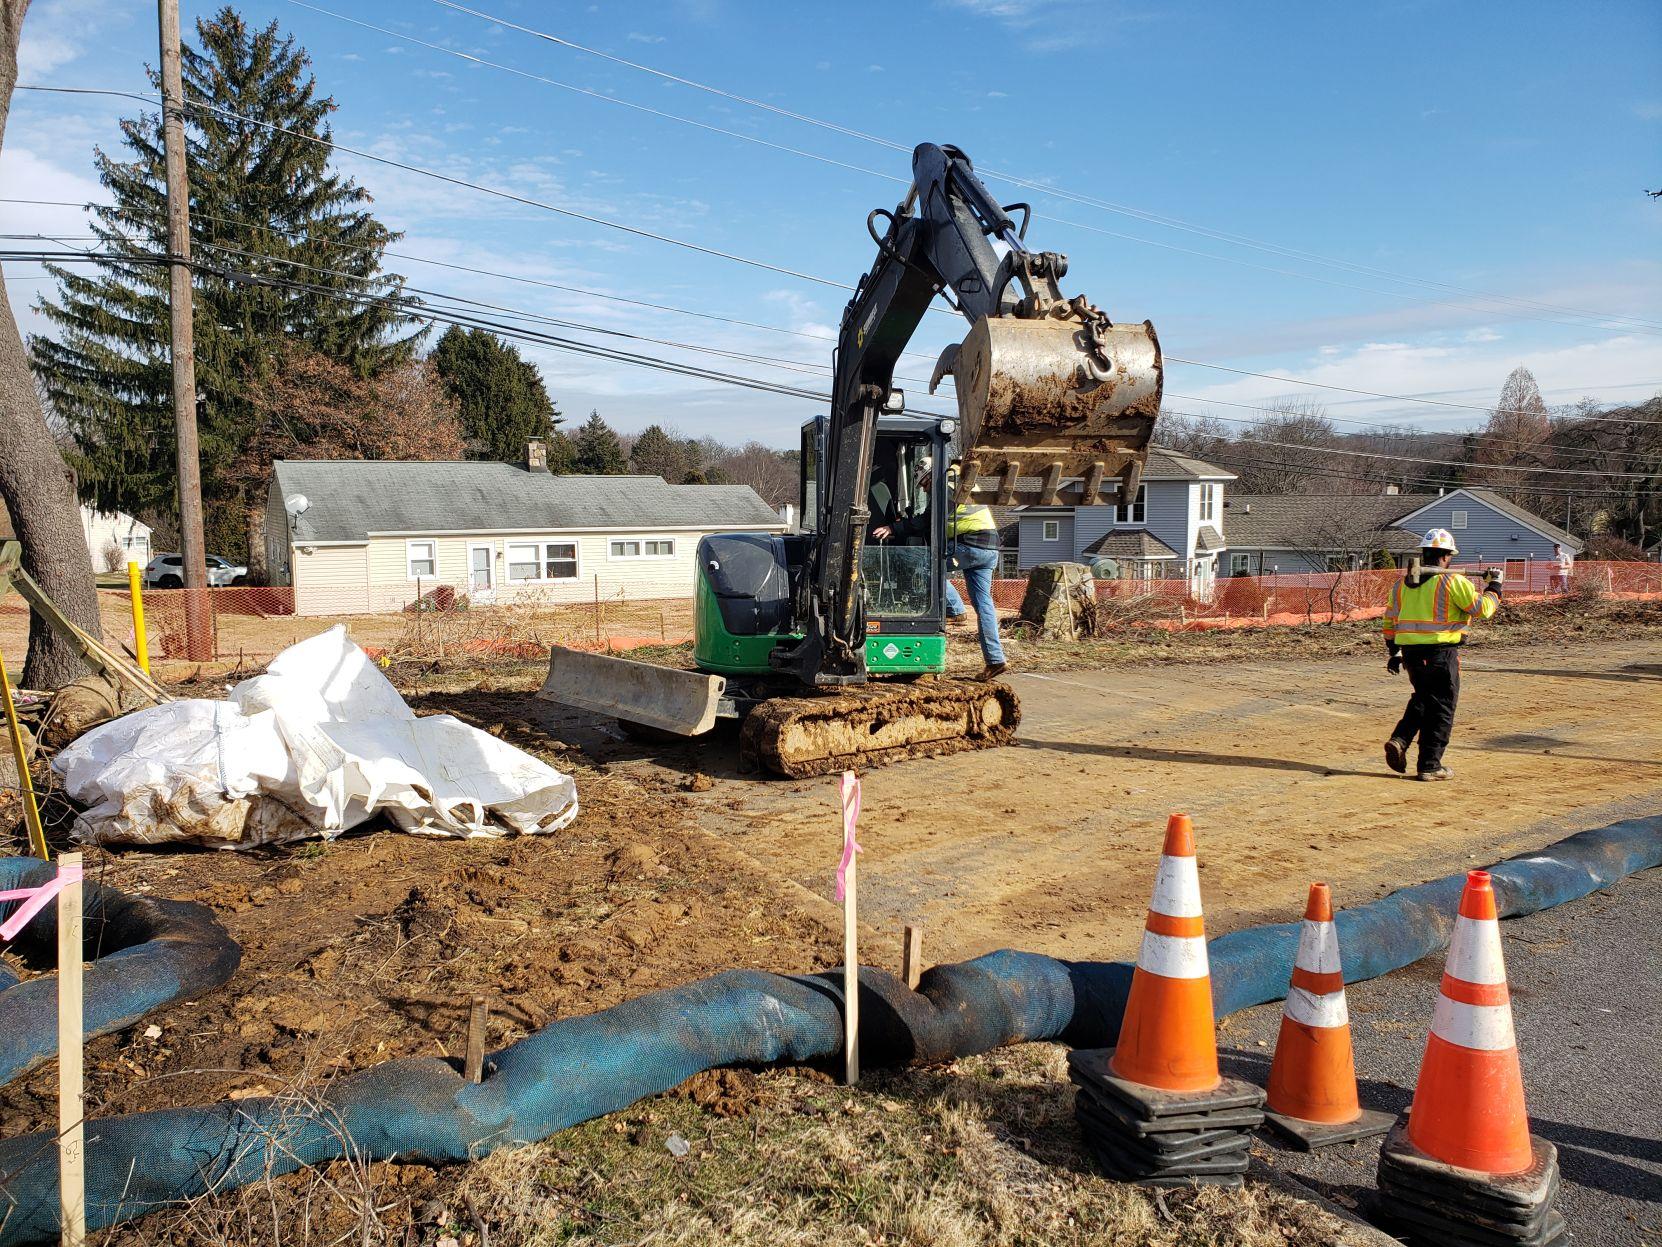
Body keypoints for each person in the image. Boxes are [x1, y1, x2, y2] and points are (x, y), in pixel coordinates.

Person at [1380, 528, 1503, 781]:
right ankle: (1430, 765)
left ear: (1423, 554)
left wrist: (1393, 651)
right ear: (1447, 556)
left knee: (1423, 700)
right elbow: (1483, 609)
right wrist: (1495, 587)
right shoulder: (1453, 581)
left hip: (1411, 655)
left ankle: (1400, 740)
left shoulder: (1401, 584)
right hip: (1440, 653)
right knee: (1442, 709)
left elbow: (1390, 618)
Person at [871, 463, 1007, 679]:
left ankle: (954, 610)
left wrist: (893, 528)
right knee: (984, 606)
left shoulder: (947, 485)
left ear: (931, 475)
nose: (924, 489)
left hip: (970, 544)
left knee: (927, 567)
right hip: (990, 547)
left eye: (924, 483)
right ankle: (995, 660)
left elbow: (929, 519)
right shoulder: (960, 480)